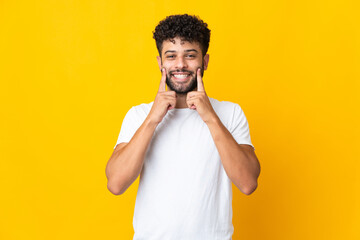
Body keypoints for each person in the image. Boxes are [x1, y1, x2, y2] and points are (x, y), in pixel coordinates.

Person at [105, 14, 261, 240]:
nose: (180, 64)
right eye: (171, 56)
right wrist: (153, 119)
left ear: (204, 61)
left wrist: (210, 117)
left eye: (190, 55)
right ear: (160, 62)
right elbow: (116, 184)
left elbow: (248, 183)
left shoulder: (230, 113)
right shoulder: (139, 115)